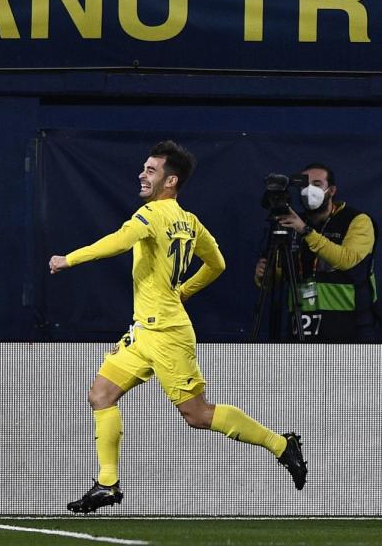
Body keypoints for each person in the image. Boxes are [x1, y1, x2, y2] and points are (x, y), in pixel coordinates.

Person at [50, 140, 307, 513]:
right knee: (101, 395)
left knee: (197, 415)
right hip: (144, 331)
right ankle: (107, 484)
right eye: (144, 167)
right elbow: (217, 263)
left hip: (168, 335)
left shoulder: (151, 215)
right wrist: (183, 291)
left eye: (151, 170)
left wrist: (67, 259)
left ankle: (282, 446)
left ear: (170, 181)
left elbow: (118, 242)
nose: (142, 174)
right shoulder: (191, 221)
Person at [254, 163, 377, 342]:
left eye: (317, 184)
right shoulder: (292, 223)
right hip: (302, 324)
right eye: (304, 185)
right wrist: (265, 274)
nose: (309, 190)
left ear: (332, 190)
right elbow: (281, 275)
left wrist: (306, 231)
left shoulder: (357, 221)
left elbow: (346, 259)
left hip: (349, 325)